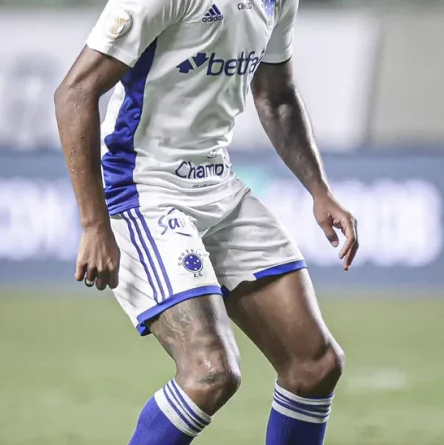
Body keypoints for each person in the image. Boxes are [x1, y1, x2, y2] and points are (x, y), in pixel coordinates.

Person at [53, 0, 358, 443]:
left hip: (218, 184)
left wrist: (319, 189)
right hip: (145, 190)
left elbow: (276, 95)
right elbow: (74, 92)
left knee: (316, 365)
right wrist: (94, 225)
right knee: (210, 373)